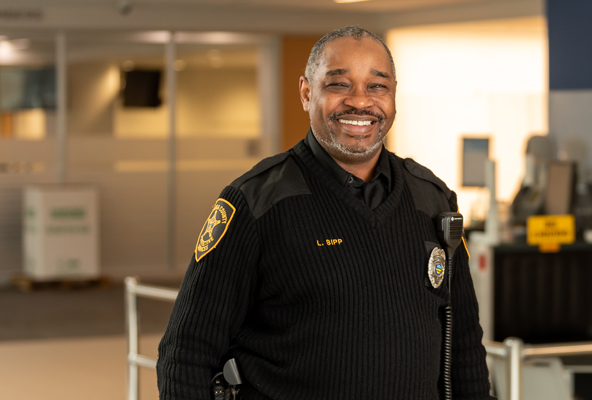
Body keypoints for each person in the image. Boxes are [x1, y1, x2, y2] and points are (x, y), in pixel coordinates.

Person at [157, 26, 495, 400]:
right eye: (339, 85)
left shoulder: (432, 199)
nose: (360, 102)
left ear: (393, 94)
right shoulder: (254, 202)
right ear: (306, 93)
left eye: (377, 86)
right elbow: (185, 353)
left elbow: (463, 345)